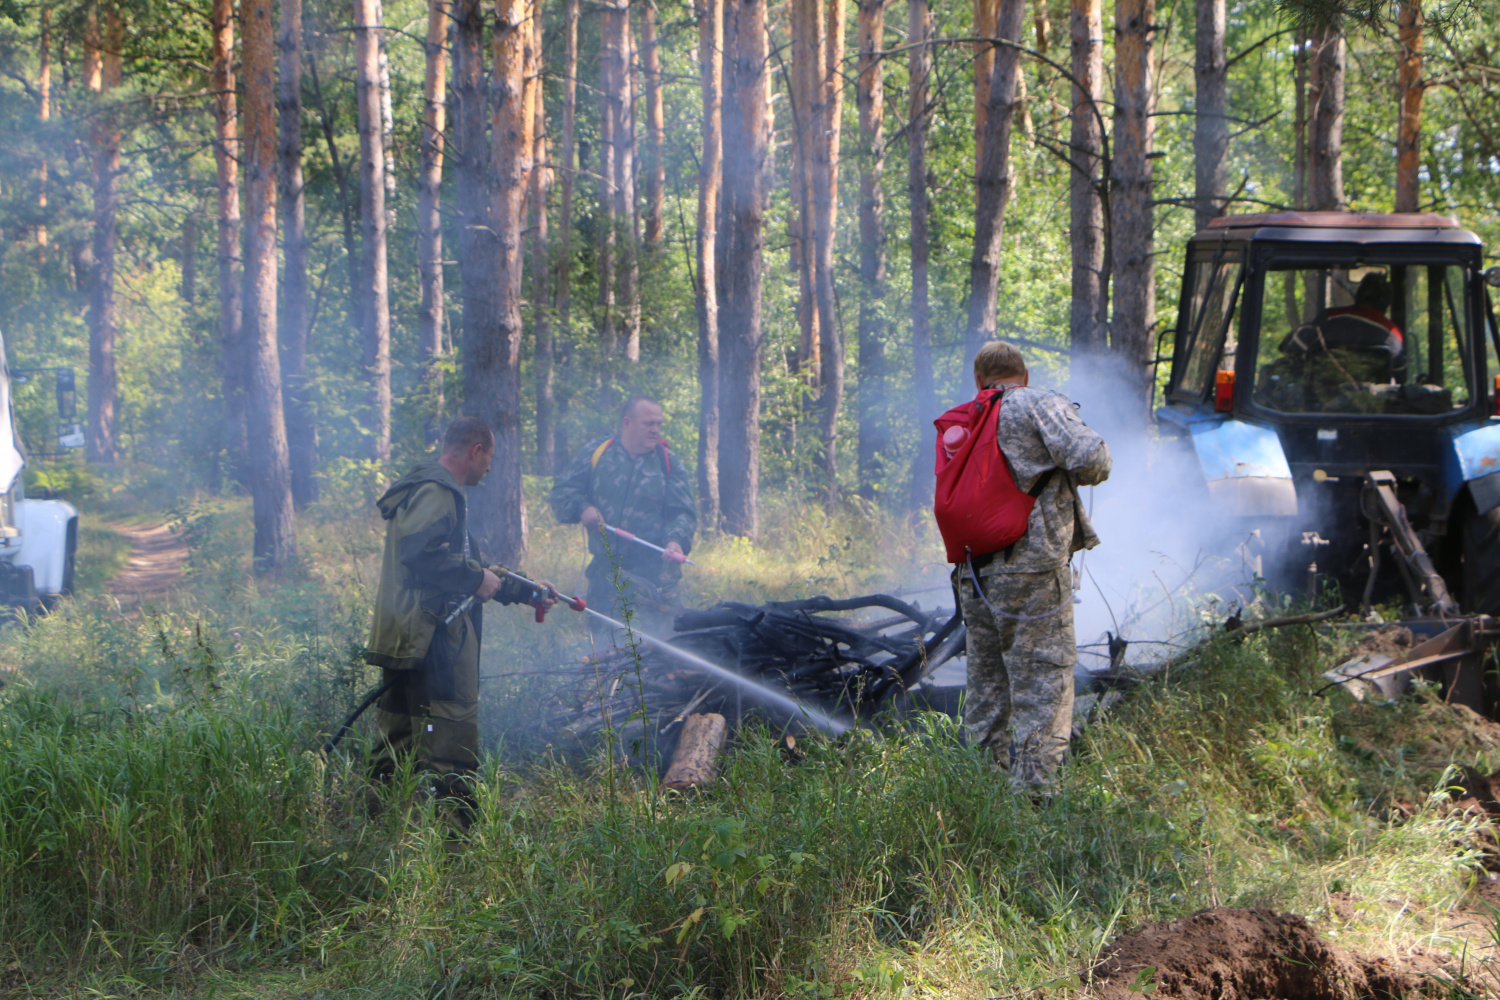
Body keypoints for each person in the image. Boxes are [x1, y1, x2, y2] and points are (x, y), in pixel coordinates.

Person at [364, 416, 555, 827]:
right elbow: (423, 553)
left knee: (398, 738)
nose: (490, 468)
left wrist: (526, 589)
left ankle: (375, 830)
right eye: (490, 458)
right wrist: (474, 578)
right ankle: (458, 846)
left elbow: (469, 566)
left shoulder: (429, 490)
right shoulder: (438, 492)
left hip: (410, 636)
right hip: (433, 640)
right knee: (451, 737)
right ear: (476, 451)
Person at [954, 341, 1111, 793]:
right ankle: (1034, 802)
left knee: (988, 688)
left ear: (978, 380)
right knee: (1043, 683)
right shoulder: (1037, 402)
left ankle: (981, 796)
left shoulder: (967, 418)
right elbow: (1093, 459)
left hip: (975, 572)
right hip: (1034, 569)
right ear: (1022, 374)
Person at [549, 396, 697, 648]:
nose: (655, 430)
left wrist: (676, 540)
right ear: (627, 423)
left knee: (656, 651)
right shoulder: (598, 453)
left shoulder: (668, 462)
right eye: (648, 423)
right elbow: (562, 492)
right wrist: (583, 508)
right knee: (608, 651)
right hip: (605, 574)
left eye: (658, 424)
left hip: (654, 579)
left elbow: (682, 512)